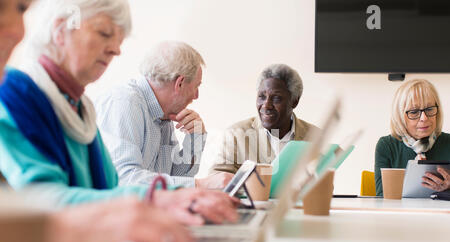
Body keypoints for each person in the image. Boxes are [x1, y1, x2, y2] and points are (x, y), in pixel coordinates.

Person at [0, 0, 238, 225]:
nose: (116, 50)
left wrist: (182, 194)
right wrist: (177, 194)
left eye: (119, 40)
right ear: (61, 30)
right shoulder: (17, 93)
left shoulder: (81, 107)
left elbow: (113, 189)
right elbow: (41, 206)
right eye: (104, 33)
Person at [95, 41, 233, 189]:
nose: (196, 96)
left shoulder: (163, 116)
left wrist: (195, 138)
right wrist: (199, 184)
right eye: (196, 87)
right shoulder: (124, 103)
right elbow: (124, 178)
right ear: (179, 83)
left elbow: (176, 178)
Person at [210, 64, 319, 174]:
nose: (266, 105)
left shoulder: (315, 136)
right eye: (262, 97)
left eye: (276, 98)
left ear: (294, 101)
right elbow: (216, 177)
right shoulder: (236, 134)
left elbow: (324, 184)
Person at [374, 79, 450, 196]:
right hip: (401, 213)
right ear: (400, 116)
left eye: (429, 109)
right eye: (414, 112)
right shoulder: (387, 146)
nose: (424, 118)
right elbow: (382, 196)